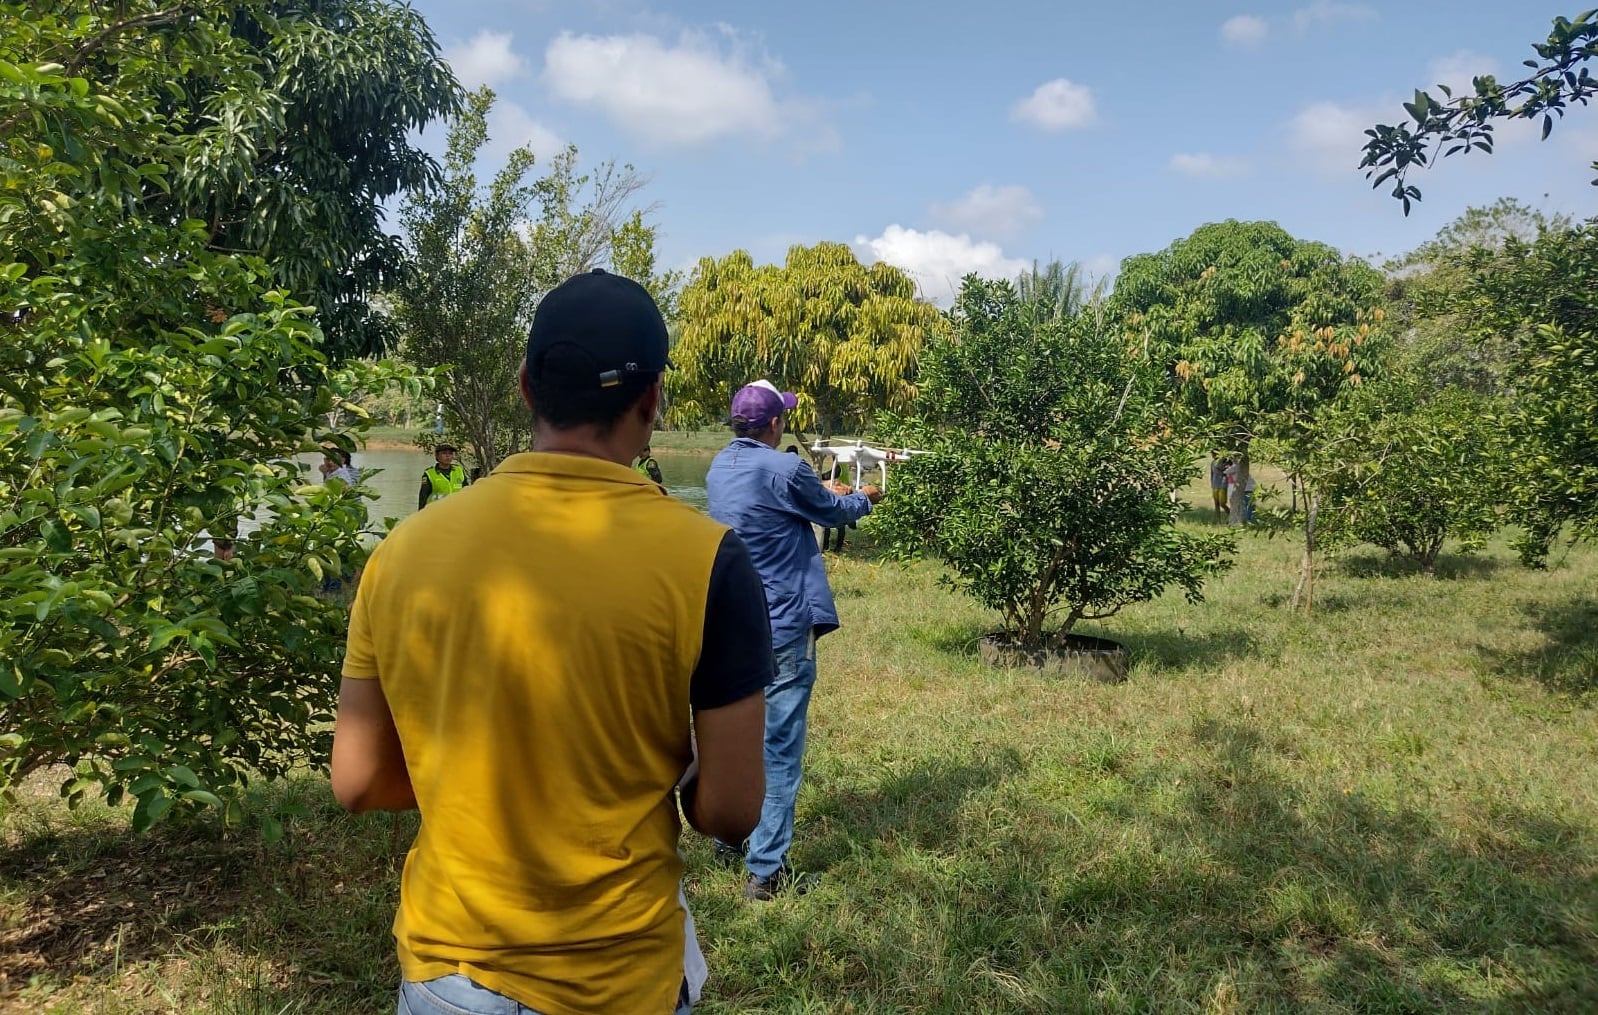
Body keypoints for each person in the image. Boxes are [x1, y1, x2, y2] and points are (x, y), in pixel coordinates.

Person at [332, 268, 771, 1014]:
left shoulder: (403, 552)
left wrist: (463, 781)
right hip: (616, 977)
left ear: (527, 387)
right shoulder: (709, 562)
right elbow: (731, 811)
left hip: (447, 974)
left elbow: (359, 780)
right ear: (652, 399)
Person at [706, 379, 879, 901]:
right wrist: (865, 497)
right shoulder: (785, 467)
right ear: (775, 424)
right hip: (782, 624)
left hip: (733, 626)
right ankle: (766, 872)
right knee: (779, 746)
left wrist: (825, 493)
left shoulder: (719, 468)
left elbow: (789, 506)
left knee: (738, 736)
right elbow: (830, 513)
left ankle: (730, 839)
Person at [416, 444, 467, 511]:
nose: (447, 456)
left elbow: (466, 491)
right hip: (436, 512)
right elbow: (423, 496)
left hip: (456, 512)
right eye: (444, 453)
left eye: (450, 453)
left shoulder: (459, 470)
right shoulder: (429, 473)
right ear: (437, 456)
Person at [1209, 452, 1229, 519]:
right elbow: (1212, 474)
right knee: (1216, 503)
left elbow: (1225, 469)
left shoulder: (1224, 461)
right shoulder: (1212, 463)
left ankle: (1230, 513)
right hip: (1215, 485)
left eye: (1214, 454)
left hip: (1222, 484)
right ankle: (1217, 519)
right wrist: (1212, 483)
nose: (1213, 455)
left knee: (1222, 503)